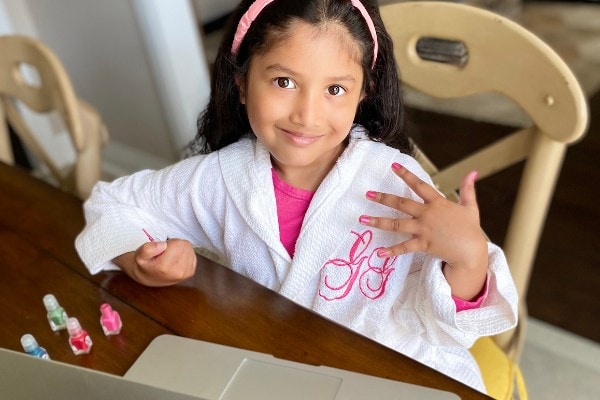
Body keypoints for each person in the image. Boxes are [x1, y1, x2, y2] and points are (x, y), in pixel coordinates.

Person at [75, 0, 518, 393]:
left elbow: (445, 324)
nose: (307, 115)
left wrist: (469, 258)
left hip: (397, 373)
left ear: (363, 93)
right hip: (277, 368)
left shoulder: (394, 181)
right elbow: (112, 204)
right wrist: (140, 258)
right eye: (284, 82)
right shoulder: (219, 179)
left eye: (335, 89)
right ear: (243, 82)